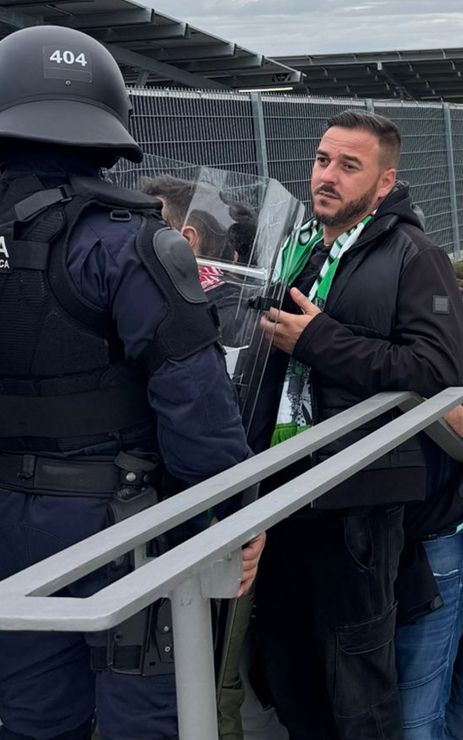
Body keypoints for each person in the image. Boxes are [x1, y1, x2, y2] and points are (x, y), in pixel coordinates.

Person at [0, 27, 265, 740]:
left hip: (9, 523)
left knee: (29, 717)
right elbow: (195, 402)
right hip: (118, 525)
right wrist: (236, 510)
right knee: (147, 717)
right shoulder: (129, 242)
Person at [250, 108, 463, 739]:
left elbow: (434, 370)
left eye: (349, 166)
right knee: (290, 676)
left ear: (382, 182)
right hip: (280, 490)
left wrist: (319, 339)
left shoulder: (416, 255)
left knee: (358, 684)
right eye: (322, 161)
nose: (328, 176)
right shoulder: (293, 249)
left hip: (357, 503)